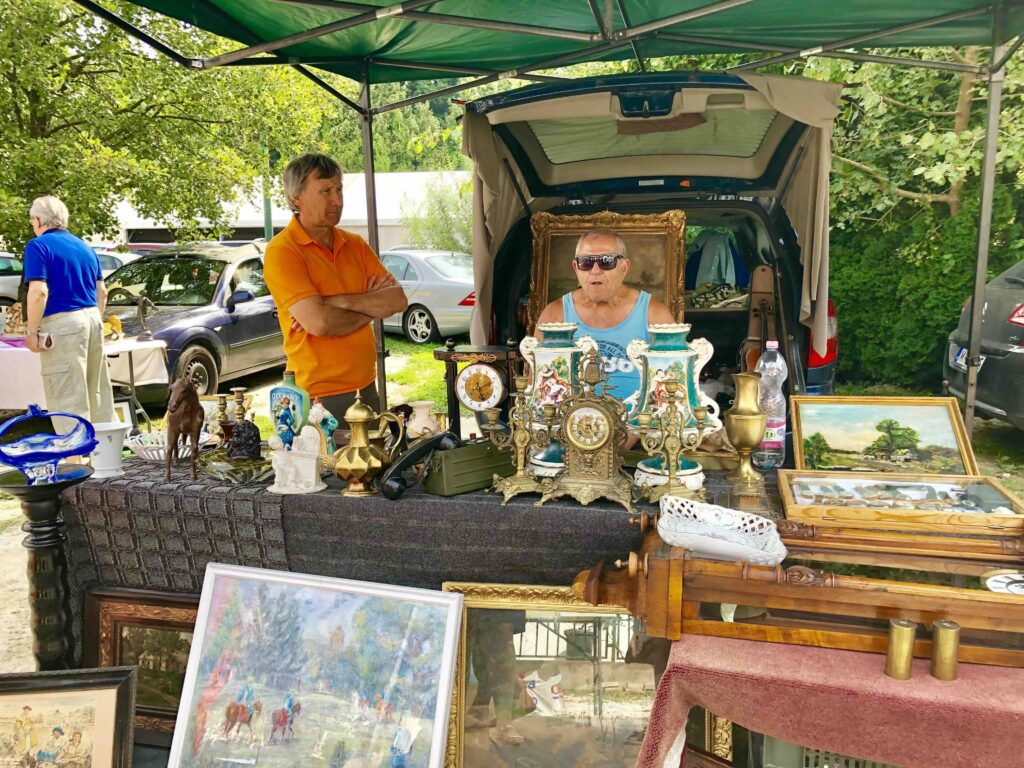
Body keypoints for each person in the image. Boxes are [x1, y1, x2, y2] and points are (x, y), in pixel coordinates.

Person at [264, 154, 408, 425]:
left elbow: (398, 300)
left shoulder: (354, 244)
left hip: (366, 388)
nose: (337, 200)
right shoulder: (282, 251)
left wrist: (336, 301)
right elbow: (320, 323)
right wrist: (370, 306)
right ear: (297, 198)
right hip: (317, 398)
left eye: (339, 189)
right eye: (326, 191)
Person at [536, 227, 676, 405]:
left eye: (606, 261)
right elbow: (539, 388)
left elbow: (673, 386)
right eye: (586, 262)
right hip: (572, 420)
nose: (595, 270)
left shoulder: (654, 314)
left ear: (624, 267)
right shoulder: (555, 315)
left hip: (637, 421)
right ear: (576, 268)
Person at [22, 196, 115, 430]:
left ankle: (74, 453)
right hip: (92, 318)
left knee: (68, 398)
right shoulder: (84, 246)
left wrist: (31, 332)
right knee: (98, 393)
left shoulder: (38, 245)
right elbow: (102, 292)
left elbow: (39, 292)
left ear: (39, 220)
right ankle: (105, 450)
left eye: (32, 220)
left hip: (63, 322)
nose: (32, 225)